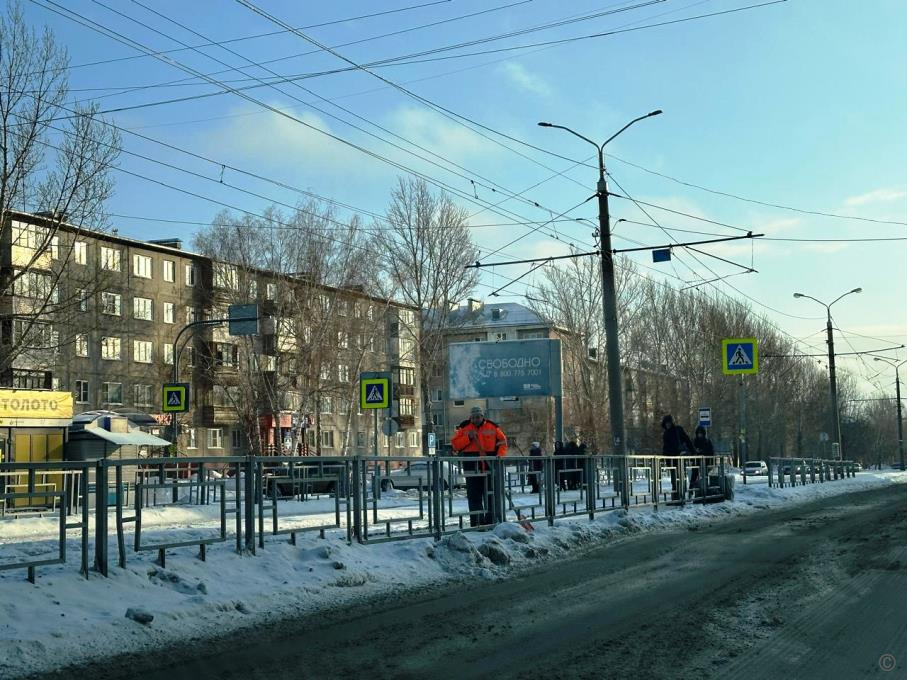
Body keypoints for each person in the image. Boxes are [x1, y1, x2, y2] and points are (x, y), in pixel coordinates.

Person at [451, 406, 508, 527]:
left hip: (489, 465)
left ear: (482, 417)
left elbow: (503, 443)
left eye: (478, 417)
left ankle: (491, 521)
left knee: (491, 495)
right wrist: (468, 438)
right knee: (474, 495)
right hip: (471, 466)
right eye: (473, 417)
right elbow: (455, 445)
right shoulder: (464, 428)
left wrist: (498, 457)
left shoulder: (492, 427)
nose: (476, 419)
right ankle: (477, 522)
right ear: (470, 417)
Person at [661, 414, 694, 501]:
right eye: (666, 423)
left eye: (669, 423)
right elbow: (666, 447)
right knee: (674, 478)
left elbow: (687, 440)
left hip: (679, 457)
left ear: (671, 423)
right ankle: (676, 496)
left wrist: (692, 451)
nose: (667, 425)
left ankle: (679, 496)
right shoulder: (666, 433)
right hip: (672, 458)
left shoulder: (677, 430)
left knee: (679, 477)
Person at [690, 426, 714, 498]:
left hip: (705, 461)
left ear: (703, 434)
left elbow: (711, 451)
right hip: (696, 461)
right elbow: (691, 450)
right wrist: (695, 452)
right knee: (694, 475)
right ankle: (691, 490)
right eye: (698, 433)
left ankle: (705, 489)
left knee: (704, 476)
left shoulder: (707, 441)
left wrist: (703, 452)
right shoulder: (695, 441)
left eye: (701, 433)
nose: (699, 435)